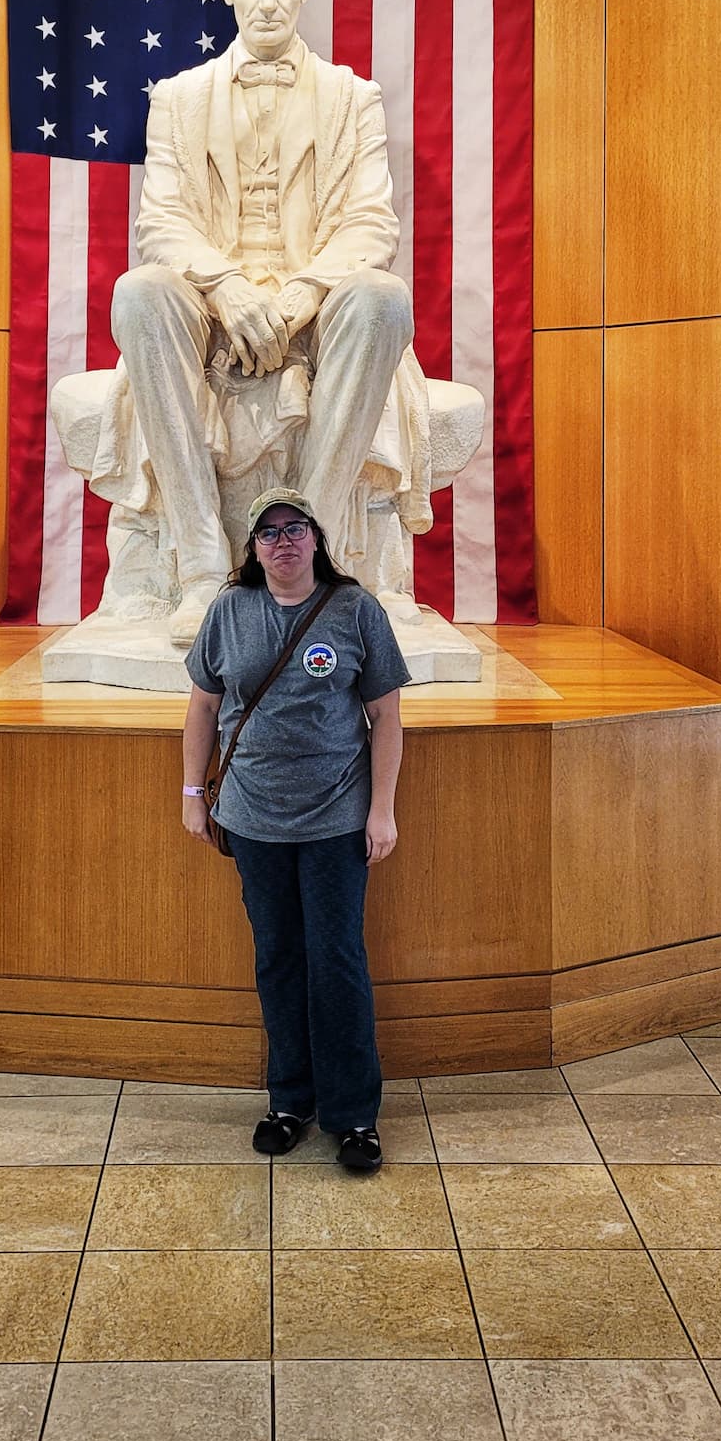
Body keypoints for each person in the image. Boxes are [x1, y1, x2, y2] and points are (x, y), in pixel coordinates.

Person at [103, 0, 432, 644]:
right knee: (140, 291)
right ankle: (196, 564)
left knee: (382, 297)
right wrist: (223, 285)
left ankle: (300, 561)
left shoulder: (354, 98)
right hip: (215, 312)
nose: (267, 0)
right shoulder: (179, 99)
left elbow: (370, 221)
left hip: (315, 314)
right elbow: (161, 220)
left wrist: (301, 291)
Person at [181, 486, 410, 1172]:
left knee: (336, 960)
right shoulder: (229, 610)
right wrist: (194, 793)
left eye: (295, 528)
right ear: (252, 549)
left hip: (336, 818)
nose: (283, 540)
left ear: (316, 538)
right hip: (252, 818)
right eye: (268, 532)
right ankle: (290, 1100)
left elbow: (387, 718)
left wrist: (381, 808)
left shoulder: (354, 610)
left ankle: (353, 1115)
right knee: (277, 956)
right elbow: (200, 708)